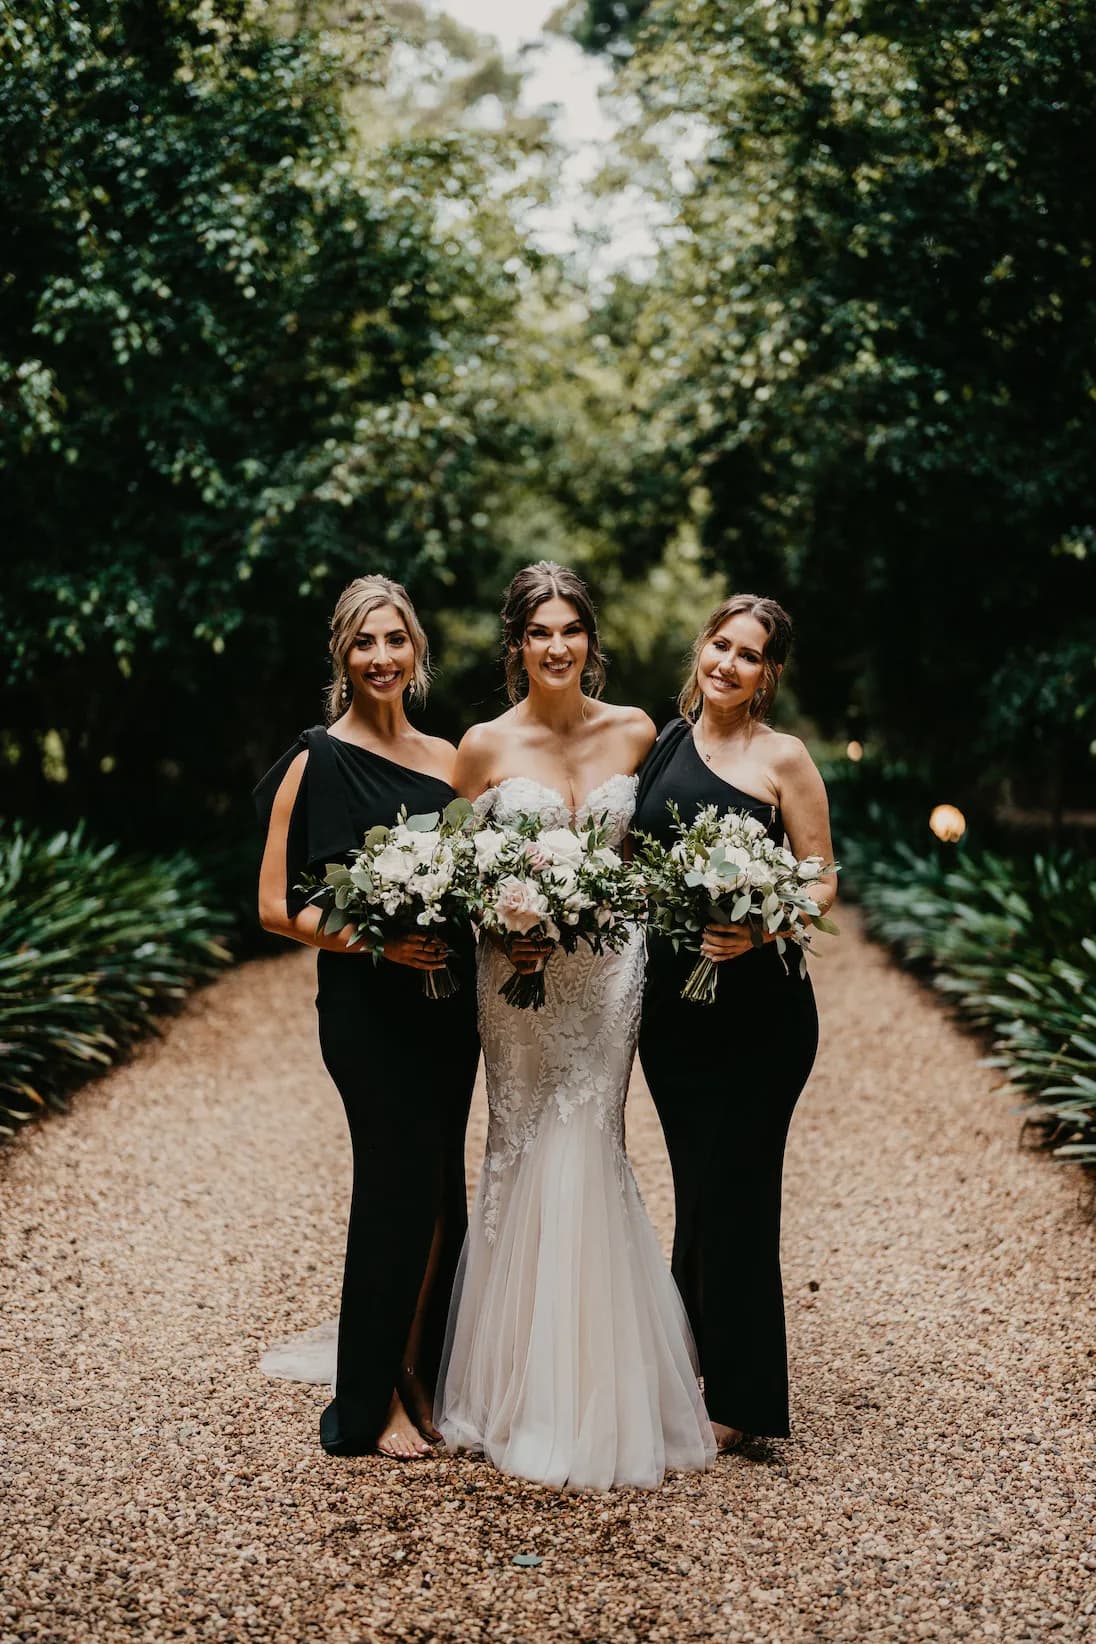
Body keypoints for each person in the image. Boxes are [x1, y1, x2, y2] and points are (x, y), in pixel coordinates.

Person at [434, 561, 715, 1490]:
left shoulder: (637, 732)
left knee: (594, 1136)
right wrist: (500, 924)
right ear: (516, 646)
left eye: (571, 629)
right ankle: (508, 1384)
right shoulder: (479, 746)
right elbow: (450, 875)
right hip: (513, 976)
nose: (557, 646)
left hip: (605, 974)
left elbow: (657, 847)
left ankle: (599, 1385)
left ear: (591, 640)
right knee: (517, 1139)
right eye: (539, 632)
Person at [253, 575, 479, 1461]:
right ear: (342, 656)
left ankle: (420, 1370)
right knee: (392, 1193)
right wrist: (372, 945)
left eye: (394, 641)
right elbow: (274, 906)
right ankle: (368, 1401)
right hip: (367, 1011)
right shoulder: (316, 758)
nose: (380, 658)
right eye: (363, 644)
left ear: (416, 649)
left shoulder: (447, 758)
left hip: (447, 1007)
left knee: (444, 1201)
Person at [634, 594, 837, 1453]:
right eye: (721, 645)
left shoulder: (783, 759)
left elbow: (823, 880)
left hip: (761, 1016)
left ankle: (744, 1400)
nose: (728, 664)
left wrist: (760, 925)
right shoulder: (666, 744)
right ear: (702, 646)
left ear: (770, 674)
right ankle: (692, 1368)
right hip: (674, 1015)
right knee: (696, 1193)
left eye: (749, 655)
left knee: (740, 1195)